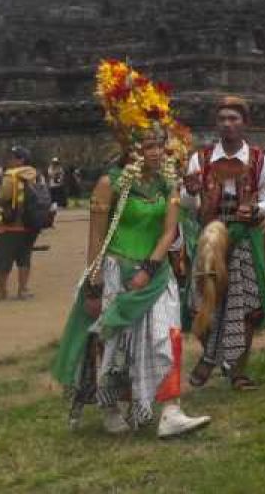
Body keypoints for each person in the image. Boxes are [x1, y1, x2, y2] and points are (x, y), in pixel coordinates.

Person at [51, 60, 209, 436]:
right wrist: (94, 284)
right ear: (132, 147)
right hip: (115, 271)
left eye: (160, 144)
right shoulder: (112, 184)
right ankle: (111, 407)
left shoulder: (167, 185)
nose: (157, 152)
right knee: (115, 344)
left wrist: (150, 269)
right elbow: (96, 238)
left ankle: (170, 410)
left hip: (154, 275)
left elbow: (169, 232)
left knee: (166, 336)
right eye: (149, 145)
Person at [184, 96, 265, 392]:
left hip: (245, 239)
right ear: (216, 123)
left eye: (234, 118)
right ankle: (211, 355)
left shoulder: (261, 160)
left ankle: (237, 370)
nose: (228, 123)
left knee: (246, 305)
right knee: (204, 300)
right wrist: (191, 192)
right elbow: (187, 203)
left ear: (245, 123)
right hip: (210, 237)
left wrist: (257, 211)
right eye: (223, 118)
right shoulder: (200, 159)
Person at [0, 146, 41, 301]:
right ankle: (23, 290)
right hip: (30, 223)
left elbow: (3, 198)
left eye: (13, 157)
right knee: (24, 258)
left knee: (3, 258)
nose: (10, 160)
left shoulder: (10, 176)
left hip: (11, 224)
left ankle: (1, 290)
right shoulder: (35, 175)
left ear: (20, 160)